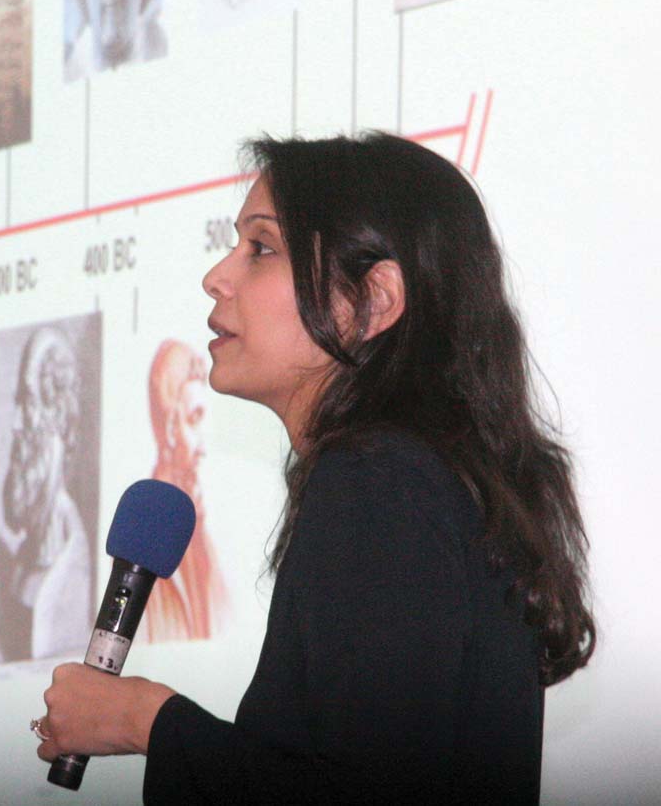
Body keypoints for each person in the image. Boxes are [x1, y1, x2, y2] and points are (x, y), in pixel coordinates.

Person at [35, 133, 595, 804]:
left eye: (261, 248)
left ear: (373, 301)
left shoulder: (379, 481)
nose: (217, 275)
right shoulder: (417, 482)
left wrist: (144, 718)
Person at [0, 326, 92, 663]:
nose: (17, 425)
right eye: (19, 404)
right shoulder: (22, 562)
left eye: (30, 404)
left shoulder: (71, 566)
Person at [143, 339, 229, 642]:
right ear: (167, 428)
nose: (203, 447)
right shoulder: (140, 541)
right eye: (193, 420)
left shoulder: (201, 533)